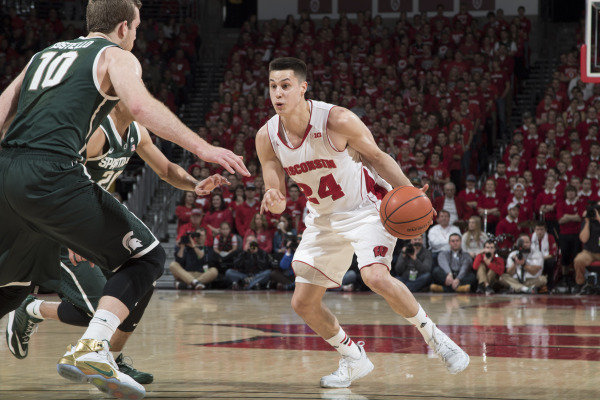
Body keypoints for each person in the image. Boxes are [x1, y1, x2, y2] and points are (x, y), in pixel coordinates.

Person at [0, 1, 248, 398]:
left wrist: (194, 181)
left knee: (9, 286)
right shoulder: (114, 56)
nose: (136, 35)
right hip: (54, 176)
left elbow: (2, 114)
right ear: (121, 28)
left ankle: (96, 347)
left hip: (8, 171)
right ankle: (94, 349)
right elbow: (139, 105)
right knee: (147, 257)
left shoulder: (42, 56)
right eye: (136, 28)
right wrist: (203, 147)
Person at [256, 57, 469, 389]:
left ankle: (437, 339)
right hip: (323, 218)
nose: (277, 94)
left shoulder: (337, 119)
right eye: (272, 86)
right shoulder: (266, 136)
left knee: (374, 275)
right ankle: (353, 358)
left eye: (285, 86)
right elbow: (277, 191)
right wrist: (274, 198)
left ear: (302, 88)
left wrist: (410, 191)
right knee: (302, 303)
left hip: (366, 208)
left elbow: (377, 157)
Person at [4, 103, 228, 383]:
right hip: (61, 226)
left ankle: (109, 358)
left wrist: (195, 184)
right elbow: (62, 175)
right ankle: (33, 310)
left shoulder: (138, 132)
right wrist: (73, 230)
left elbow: (167, 169)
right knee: (104, 310)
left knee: (138, 283)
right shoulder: (96, 131)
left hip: (93, 224)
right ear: (118, 98)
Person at [573, 203, 600, 293]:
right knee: (579, 260)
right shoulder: (587, 221)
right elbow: (584, 239)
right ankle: (580, 283)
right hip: (589, 252)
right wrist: (587, 222)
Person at [530, 221, 558, 290]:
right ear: (534, 230)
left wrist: (541, 258)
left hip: (545, 259)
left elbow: (553, 252)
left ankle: (550, 286)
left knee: (550, 262)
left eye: (542, 229)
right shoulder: (530, 237)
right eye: (538, 229)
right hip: (533, 259)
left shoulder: (550, 237)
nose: (539, 232)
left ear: (545, 230)